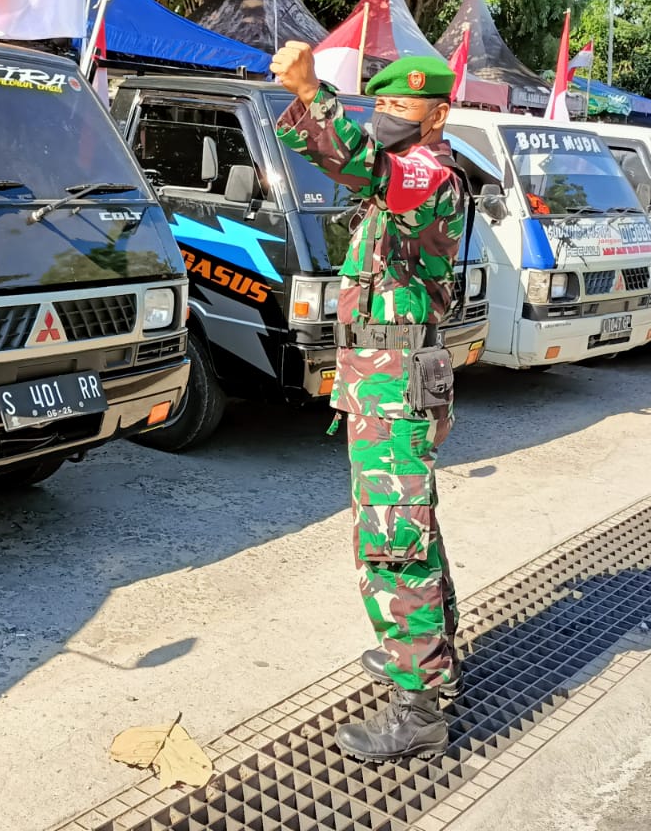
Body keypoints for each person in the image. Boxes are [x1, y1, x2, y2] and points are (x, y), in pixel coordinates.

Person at [271, 41, 467, 763]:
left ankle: (417, 710)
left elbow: (364, 163)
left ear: (437, 114)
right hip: (382, 374)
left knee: (394, 537)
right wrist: (308, 106)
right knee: (412, 526)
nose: (386, 114)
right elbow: (328, 153)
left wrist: (311, 89)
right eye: (379, 102)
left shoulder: (430, 174)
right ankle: (426, 654)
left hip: (397, 379)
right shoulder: (402, 179)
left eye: (401, 105)